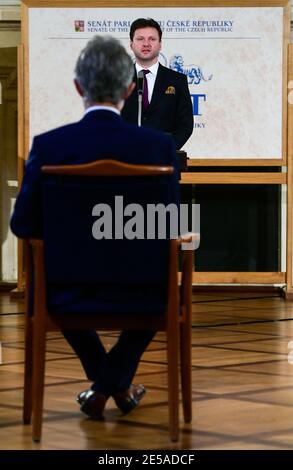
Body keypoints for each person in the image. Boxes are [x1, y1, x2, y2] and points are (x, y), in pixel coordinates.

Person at [10, 36, 179, 420]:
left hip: (65, 293)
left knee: (48, 279)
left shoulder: (50, 145)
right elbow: (169, 226)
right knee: (164, 282)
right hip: (143, 294)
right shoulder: (158, 147)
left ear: (78, 87)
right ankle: (114, 384)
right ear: (130, 88)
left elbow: (23, 225)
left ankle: (104, 385)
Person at [121, 18, 194, 150]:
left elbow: (186, 125)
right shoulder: (118, 81)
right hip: (126, 160)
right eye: (140, 39)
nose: (146, 44)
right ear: (131, 44)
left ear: (160, 44)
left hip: (164, 161)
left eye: (152, 39)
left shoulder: (177, 80)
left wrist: (165, 149)